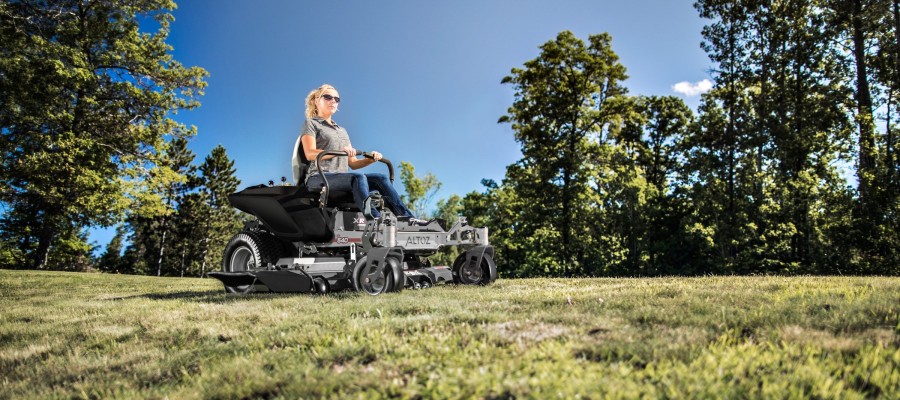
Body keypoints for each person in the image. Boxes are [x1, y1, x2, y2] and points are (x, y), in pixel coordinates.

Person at [299, 84, 418, 221]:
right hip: (319, 177)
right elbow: (310, 153)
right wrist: (339, 151)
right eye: (328, 97)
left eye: (337, 99)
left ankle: (407, 218)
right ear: (316, 101)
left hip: (342, 178)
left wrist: (370, 159)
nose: (333, 101)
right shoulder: (311, 123)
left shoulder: (342, 131)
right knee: (358, 178)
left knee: (381, 178)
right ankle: (376, 220)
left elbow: (353, 163)